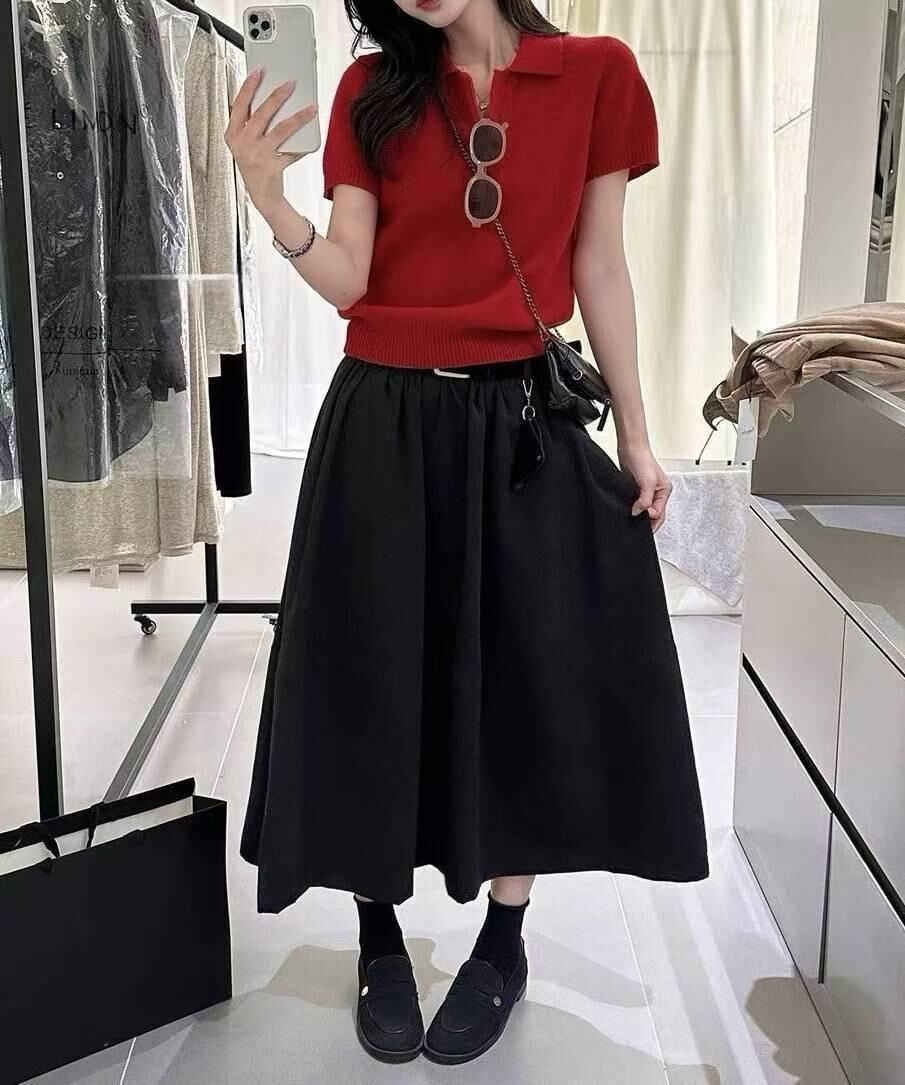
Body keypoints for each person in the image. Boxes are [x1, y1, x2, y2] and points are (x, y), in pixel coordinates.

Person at [227, 0, 708, 1066]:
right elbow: (349, 276)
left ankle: (502, 938)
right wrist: (271, 202)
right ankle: (377, 933)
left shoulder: (596, 75)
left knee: (523, 675)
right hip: (382, 420)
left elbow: (599, 265)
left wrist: (637, 434)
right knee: (369, 674)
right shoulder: (372, 90)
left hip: (519, 421)